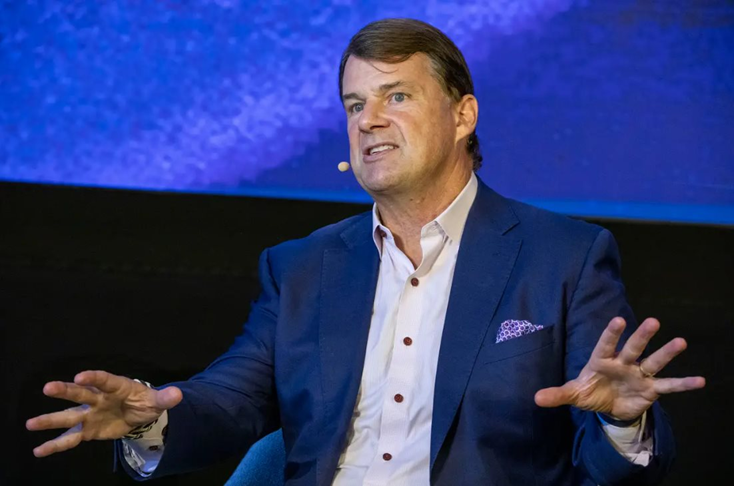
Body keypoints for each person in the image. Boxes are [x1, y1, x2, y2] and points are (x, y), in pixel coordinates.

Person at [26, 18, 705, 485]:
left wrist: (622, 421)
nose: (369, 120)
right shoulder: (301, 267)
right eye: (354, 105)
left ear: (463, 115)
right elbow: (233, 398)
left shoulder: (564, 256)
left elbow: (610, 466)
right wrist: (150, 417)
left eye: (396, 96)